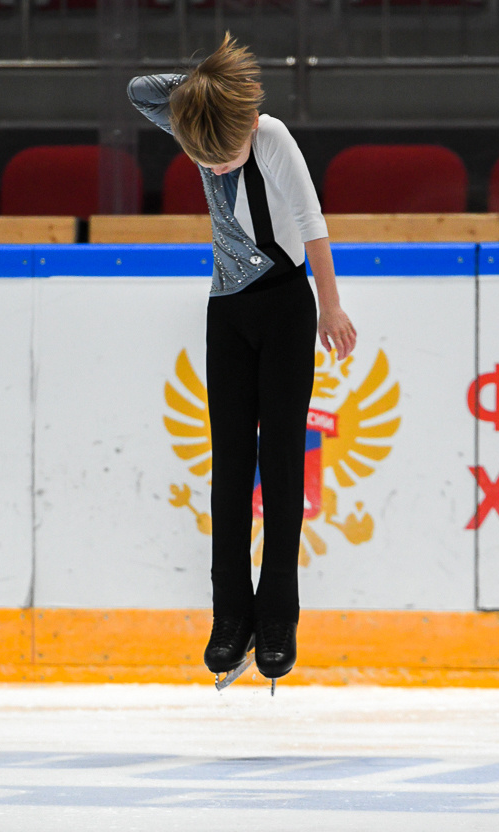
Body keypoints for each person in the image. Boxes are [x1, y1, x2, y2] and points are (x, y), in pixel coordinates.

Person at [128, 33, 356, 685]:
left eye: (224, 159)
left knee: (280, 463)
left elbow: (311, 224)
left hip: (286, 305)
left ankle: (277, 616)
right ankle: (230, 616)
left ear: (245, 127)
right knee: (227, 464)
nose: (217, 169)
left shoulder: (270, 136)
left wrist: (332, 309)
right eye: (206, 161)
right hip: (226, 311)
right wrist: (205, 92)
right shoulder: (202, 124)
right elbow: (138, 90)